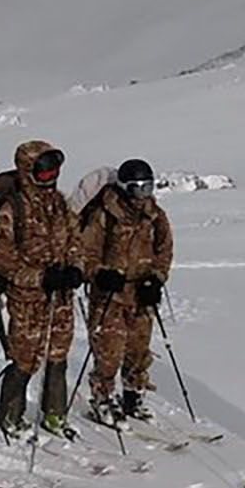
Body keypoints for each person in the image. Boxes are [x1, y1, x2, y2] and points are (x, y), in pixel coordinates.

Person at [0, 139, 84, 435]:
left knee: (58, 356)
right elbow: (4, 260)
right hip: (28, 300)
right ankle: (10, 417)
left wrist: (75, 269)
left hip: (61, 297)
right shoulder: (13, 209)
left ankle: (55, 415)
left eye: (54, 172)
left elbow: (75, 241)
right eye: (44, 173)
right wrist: (40, 278)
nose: (51, 179)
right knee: (25, 358)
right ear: (27, 171)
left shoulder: (59, 203)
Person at [78, 158, 175, 425]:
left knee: (138, 349)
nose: (143, 195)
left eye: (148, 187)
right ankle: (102, 398)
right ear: (124, 187)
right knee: (109, 350)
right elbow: (85, 252)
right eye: (138, 188)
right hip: (110, 294)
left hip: (141, 293)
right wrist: (100, 273)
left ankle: (134, 395)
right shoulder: (105, 214)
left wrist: (156, 279)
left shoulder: (155, 215)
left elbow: (164, 251)